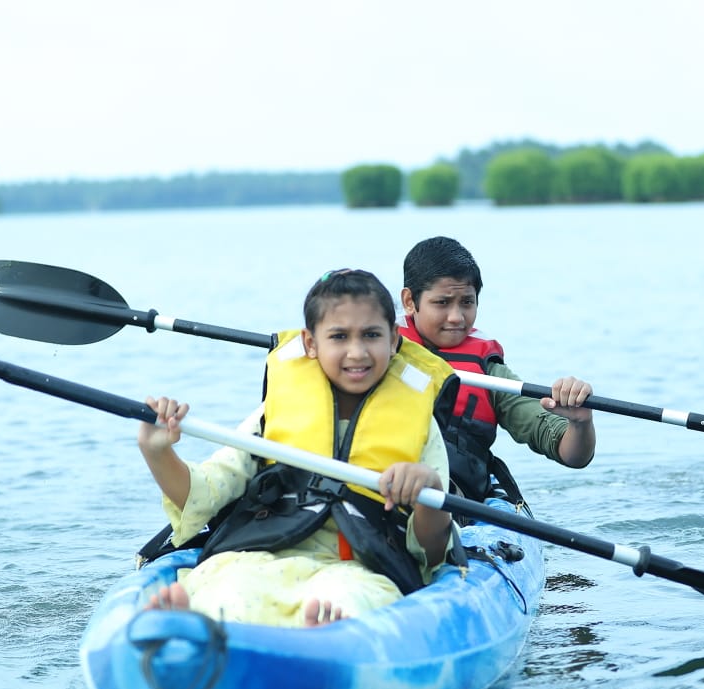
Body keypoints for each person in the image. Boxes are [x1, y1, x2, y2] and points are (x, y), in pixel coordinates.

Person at [137, 268, 460, 628]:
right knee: (231, 589)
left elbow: (432, 552)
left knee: (349, 599)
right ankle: (195, 623)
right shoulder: (274, 413)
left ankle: (323, 636)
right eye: (339, 336)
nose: (357, 352)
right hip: (259, 557)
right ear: (310, 343)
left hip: (357, 567)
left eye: (371, 335)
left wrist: (427, 490)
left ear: (394, 339)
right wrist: (158, 453)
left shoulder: (419, 425)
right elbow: (206, 492)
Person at [399, 236, 597, 501]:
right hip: (387, 484)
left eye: (467, 302)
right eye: (442, 303)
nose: (457, 317)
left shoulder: (489, 371)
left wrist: (580, 423)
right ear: (410, 301)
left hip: (460, 500)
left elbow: (573, 455)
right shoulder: (379, 353)